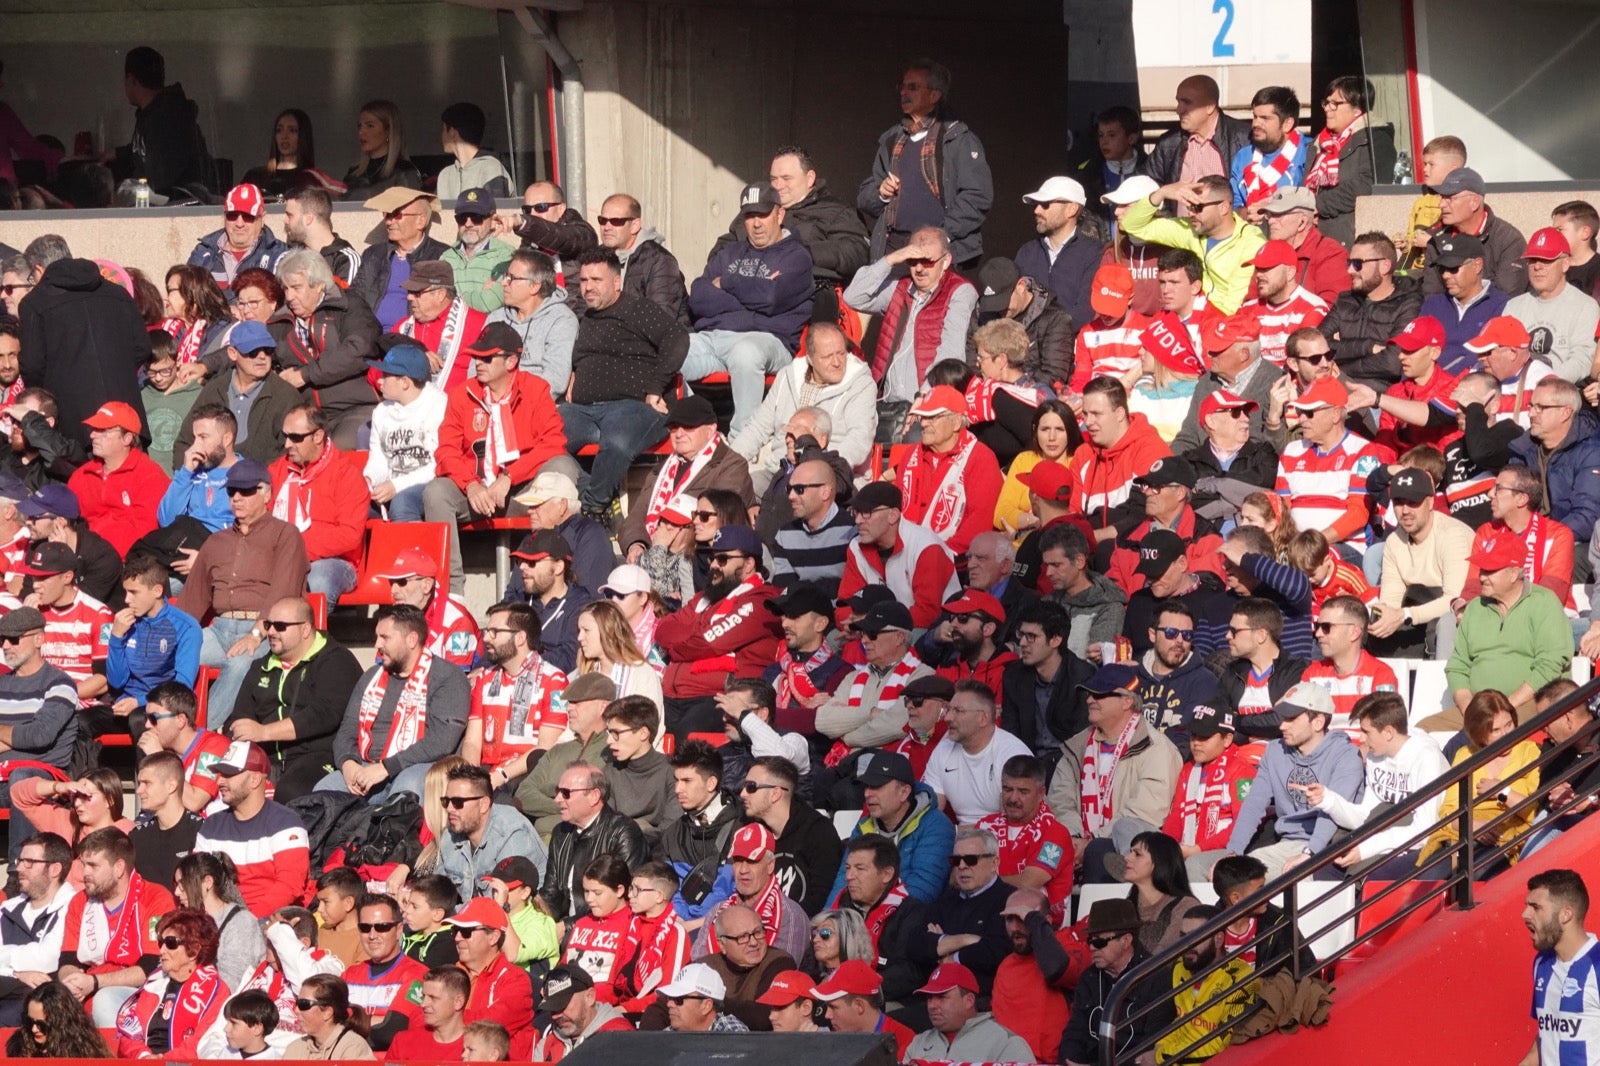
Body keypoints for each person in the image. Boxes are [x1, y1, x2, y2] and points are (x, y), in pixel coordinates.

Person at [174, 457, 308, 721]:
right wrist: (176, 637)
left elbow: (283, 591)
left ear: (266, 493)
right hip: (218, 628)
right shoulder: (216, 541)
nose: (237, 497)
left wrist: (256, 634)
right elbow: (192, 598)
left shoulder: (285, 534)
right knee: (175, 656)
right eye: (232, 491)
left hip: (266, 629)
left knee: (239, 665)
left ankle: (199, 735)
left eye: (246, 491)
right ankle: (166, 727)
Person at [561, 248, 690, 521]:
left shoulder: (638, 309)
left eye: (597, 280)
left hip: (632, 407)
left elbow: (677, 339)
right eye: (584, 281)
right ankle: (591, 490)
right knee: (545, 436)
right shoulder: (587, 319)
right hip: (583, 411)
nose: (588, 288)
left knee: (617, 442)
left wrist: (656, 387)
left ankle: (593, 507)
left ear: (617, 282)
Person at [683, 182, 815, 434]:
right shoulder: (729, 252)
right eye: (749, 215)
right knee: (670, 352)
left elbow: (771, 297)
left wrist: (728, 283)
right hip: (715, 339)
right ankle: (698, 434)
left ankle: (743, 443)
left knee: (746, 353)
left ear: (779, 214)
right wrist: (752, 293)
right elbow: (699, 297)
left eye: (763, 214)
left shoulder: (796, 256)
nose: (756, 223)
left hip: (767, 341)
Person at [322, 604, 470, 804]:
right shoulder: (371, 677)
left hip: (417, 767)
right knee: (323, 793)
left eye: (385, 637)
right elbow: (347, 729)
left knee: (405, 796)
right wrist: (348, 763)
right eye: (377, 636)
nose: (377, 644)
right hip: (365, 766)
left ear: (411, 639)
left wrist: (386, 768)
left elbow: (441, 741)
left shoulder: (447, 677)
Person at [222, 595, 363, 801]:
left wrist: (264, 732)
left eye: (280, 626)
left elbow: (324, 715)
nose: (270, 632)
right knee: (227, 786)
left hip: (319, 756)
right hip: (265, 758)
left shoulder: (336, 660)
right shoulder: (261, 666)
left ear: (305, 629)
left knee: (291, 793)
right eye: (269, 625)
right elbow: (240, 716)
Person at [16, 243, 149, 454]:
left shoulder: (34, 303)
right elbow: (142, 347)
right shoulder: (119, 294)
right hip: (127, 420)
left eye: (31, 277)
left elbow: (32, 366)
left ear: (39, 270)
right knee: (132, 483)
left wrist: (51, 400)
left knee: (81, 485)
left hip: (73, 425)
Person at [858, 58, 991, 267]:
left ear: (934, 95)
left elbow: (977, 196)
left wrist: (942, 235)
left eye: (913, 87)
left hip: (941, 253)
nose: (903, 92)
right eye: (901, 86)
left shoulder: (957, 138)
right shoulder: (891, 140)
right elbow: (865, 198)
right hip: (896, 251)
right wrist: (881, 193)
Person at [1225, 681, 1365, 878]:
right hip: (1286, 843)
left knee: (1249, 881)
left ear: (1318, 722)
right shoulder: (1274, 751)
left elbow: (1332, 813)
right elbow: (1254, 803)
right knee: (1232, 876)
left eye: (1291, 719)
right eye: (1283, 718)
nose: (1282, 725)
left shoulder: (1346, 755)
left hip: (1329, 846)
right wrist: (1233, 852)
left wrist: (1310, 853)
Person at [1306, 691, 1450, 878]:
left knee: (1365, 878)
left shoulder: (1426, 758)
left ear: (1388, 732)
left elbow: (1425, 829)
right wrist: (1327, 799)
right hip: (1388, 837)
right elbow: (1366, 817)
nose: (1361, 740)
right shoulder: (1376, 756)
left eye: (1366, 732)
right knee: (1325, 871)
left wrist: (1367, 849)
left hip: (1428, 844)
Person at [256, 248, 383, 448]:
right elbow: (249, 348)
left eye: (296, 288)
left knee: (337, 451)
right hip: (308, 415)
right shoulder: (280, 322)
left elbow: (359, 349)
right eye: (286, 289)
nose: (289, 296)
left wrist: (305, 375)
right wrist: (205, 365)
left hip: (356, 407)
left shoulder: (348, 307)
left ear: (319, 286)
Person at [1443, 531, 1571, 724]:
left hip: (1531, 704)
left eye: (1490, 570)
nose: (1482, 577)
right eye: (1481, 570)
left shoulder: (1544, 602)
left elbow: (1550, 665)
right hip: (1478, 710)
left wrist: (1505, 708)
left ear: (1513, 573)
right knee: (1421, 732)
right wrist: (1470, 709)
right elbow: (1457, 666)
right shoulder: (1474, 608)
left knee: (1492, 732)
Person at [57, 827, 177, 1026]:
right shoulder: (79, 901)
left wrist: (95, 983)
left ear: (119, 868)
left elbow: (151, 967)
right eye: (83, 864)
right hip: (86, 987)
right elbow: (68, 959)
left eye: (93, 866)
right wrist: (72, 981)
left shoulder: (156, 898)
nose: (84, 873)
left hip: (140, 992)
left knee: (104, 1000)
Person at [1423, 690, 1542, 877]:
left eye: (1509, 725)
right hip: (1462, 836)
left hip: (1503, 841)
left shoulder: (1529, 752)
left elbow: (1534, 810)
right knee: (1428, 882)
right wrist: (1474, 826)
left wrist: (1502, 791)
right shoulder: (1466, 755)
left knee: (1475, 878)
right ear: (1479, 733)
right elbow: (1449, 811)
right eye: (1495, 730)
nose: (1505, 734)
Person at [193, 740, 311, 918]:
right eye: (220, 773)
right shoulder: (210, 826)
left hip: (273, 923)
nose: (220, 781)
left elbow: (289, 886)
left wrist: (246, 921)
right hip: (221, 922)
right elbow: (195, 881)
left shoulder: (286, 823)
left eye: (229, 774)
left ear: (255, 779)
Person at [1119, 176, 1266, 315]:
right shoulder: (1189, 229)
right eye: (1189, 206)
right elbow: (1132, 225)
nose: (1190, 213)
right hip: (1194, 320)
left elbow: (1234, 303)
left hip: (1229, 326)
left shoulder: (1252, 242)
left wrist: (1199, 325)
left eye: (1197, 207)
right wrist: (1162, 193)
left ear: (1223, 208)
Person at [1059, 899, 1176, 1066]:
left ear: (1126, 940)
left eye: (1099, 941)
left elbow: (1151, 1046)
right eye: (1090, 941)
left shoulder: (1156, 976)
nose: (1092, 947)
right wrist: (1069, 1062)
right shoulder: (1089, 977)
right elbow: (1074, 1032)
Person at [0, 607, 78, 854]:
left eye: (13, 638)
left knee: (23, 779)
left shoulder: (60, 684)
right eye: (1, 639)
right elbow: (30, 734)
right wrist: (18, 735)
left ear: (38, 639)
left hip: (44, 781)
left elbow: (40, 735)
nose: (5, 645)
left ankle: (18, 871)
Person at [829, 751, 954, 904]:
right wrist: (829, 921)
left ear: (904, 792)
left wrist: (875, 917)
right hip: (865, 917)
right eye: (867, 786)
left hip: (909, 921)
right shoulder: (863, 826)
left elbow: (923, 892)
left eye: (877, 786)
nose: (867, 793)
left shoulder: (935, 826)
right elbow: (843, 882)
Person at [171, 325, 300, 469]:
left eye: (268, 350)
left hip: (259, 485)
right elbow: (185, 442)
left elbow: (290, 451)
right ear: (232, 353)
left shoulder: (286, 396)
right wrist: (188, 479)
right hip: (208, 482)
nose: (262, 356)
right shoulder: (215, 389)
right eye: (252, 351)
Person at [835, 482, 960, 630]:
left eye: (866, 512)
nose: (858, 520)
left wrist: (871, 625)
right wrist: (858, 626)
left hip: (930, 631)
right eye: (856, 511)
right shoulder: (856, 546)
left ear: (893, 515)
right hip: (873, 630)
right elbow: (844, 606)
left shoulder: (926, 547)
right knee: (833, 640)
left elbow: (927, 614)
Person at [110, 906, 227, 1059]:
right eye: (161, 942)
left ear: (195, 950)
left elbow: (202, 1042)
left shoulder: (217, 991)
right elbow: (129, 1031)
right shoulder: (155, 983)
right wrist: (144, 1056)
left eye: (170, 943)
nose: (162, 950)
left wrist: (165, 1061)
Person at [538, 761, 648, 922]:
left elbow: (623, 898)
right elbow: (550, 894)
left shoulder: (622, 832)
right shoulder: (561, 833)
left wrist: (568, 927)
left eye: (566, 793)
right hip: (563, 926)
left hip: (605, 927)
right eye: (557, 791)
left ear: (594, 796)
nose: (557, 799)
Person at [1071, 377, 1172, 546]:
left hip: (1138, 547)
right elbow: (1074, 514)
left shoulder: (1149, 449)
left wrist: (1093, 538)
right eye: (1086, 414)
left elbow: (1147, 517)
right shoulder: (1083, 454)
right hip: (1088, 551)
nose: (1088, 422)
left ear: (1119, 413)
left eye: (1096, 414)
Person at [1319, 233, 1423, 391]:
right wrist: (1367, 347)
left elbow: (1392, 363)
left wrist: (1336, 368)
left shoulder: (1409, 304)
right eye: (1349, 263)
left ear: (1385, 266)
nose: (1350, 270)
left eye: (1357, 263)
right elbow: (1316, 345)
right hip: (1335, 389)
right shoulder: (1345, 300)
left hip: (1380, 396)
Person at [65, 400, 168, 557]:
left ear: (127, 439)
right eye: (94, 429)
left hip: (128, 561)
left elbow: (145, 530)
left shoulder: (150, 475)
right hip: (82, 557)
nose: (92, 435)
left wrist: (95, 550)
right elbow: (68, 521)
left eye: (102, 430)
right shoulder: (82, 475)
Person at [1519, 869, 1600, 1066]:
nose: (1525, 914)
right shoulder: (1542, 964)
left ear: (1566, 915)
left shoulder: (1596, 966)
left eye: (1536, 907)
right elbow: (1548, 1037)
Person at [437, 764, 546, 905]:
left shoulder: (511, 834)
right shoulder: (451, 834)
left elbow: (506, 906)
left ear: (483, 804)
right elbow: (437, 896)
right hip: (473, 919)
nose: (449, 809)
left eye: (458, 802)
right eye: (446, 801)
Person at [1504, 227, 1600, 381]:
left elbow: (1582, 359)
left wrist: (1545, 382)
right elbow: (1502, 353)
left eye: (1546, 260)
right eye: (1532, 260)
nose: (1537, 267)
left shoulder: (1585, 306)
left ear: (1565, 264)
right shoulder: (1513, 307)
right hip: (1516, 389)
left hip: (1560, 391)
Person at [0, 832, 75, 1026]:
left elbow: (48, 958)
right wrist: (16, 974)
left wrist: (5, 961)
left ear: (55, 869)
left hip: (43, 1000)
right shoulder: (7, 909)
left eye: (29, 862)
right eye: (20, 860)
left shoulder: (73, 906)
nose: (19, 868)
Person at [1421, 167, 1528, 300]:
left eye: (1450, 198)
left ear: (1474, 202)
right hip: (1448, 318)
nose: (1441, 204)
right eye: (1442, 197)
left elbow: (1507, 299)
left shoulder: (1508, 240)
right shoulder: (1437, 239)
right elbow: (1432, 298)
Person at [445, 898, 536, 1050]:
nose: (457, 938)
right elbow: (421, 1017)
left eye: (466, 931)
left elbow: (488, 1029)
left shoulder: (516, 981)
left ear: (493, 937)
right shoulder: (447, 976)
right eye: (455, 930)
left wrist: (445, 1018)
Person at [342, 893, 427, 1050]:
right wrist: (374, 1020)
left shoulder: (418, 975)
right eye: (365, 928)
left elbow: (391, 1032)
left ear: (399, 930)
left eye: (382, 927)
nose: (372, 936)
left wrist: (348, 1023)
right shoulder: (349, 974)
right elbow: (326, 1024)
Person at [485, 248, 575, 396]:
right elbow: (476, 369)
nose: (503, 283)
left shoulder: (561, 320)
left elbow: (555, 380)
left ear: (534, 286)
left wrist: (512, 399)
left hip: (534, 404)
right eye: (505, 276)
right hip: (491, 402)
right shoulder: (496, 318)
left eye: (511, 278)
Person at [174, 851, 268, 991]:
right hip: (189, 999)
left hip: (226, 1005)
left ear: (207, 882)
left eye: (182, 885)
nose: (176, 892)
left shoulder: (241, 923)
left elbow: (231, 984)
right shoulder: (188, 922)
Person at [904, 961, 1034, 1062]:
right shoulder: (918, 1043)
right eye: (929, 998)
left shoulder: (1005, 1042)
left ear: (969, 1000)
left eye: (941, 997)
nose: (932, 1005)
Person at [1014, 175, 1099, 329]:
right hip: (1027, 348)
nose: (1037, 210)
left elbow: (1084, 314)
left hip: (1069, 348)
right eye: (1036, 204)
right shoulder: (1027, 252)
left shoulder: (1093, 254)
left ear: (1071, 209)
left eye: (1045, 204)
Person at [1303, 76, 1378, 248]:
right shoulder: (1319, 143)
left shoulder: (1373, 140)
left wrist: (1317, 205)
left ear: (1357, 110)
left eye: (1335, 104)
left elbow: (1364, 186)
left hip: (1348, 237)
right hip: (1317, 235)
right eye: (1326, 103)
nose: (1328, 109)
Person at [1421, 234, 1511, 375]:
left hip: (1470, 388)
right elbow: (1413, 351)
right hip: (1424, 389)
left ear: (1477, 265)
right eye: (1441, 269)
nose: (1445, 275)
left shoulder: (1501, 306)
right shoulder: (1433, 305)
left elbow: (1490, 359)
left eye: (1453, 268)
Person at [597, 193, 689, 324]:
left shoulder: (659, 261)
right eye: (603, 220)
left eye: (616, 221)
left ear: (635, 225)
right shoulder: (597, 258)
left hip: (662, 340)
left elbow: (659, 320)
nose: (607, 227)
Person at [188, 183, 288, 294]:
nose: (239, 224)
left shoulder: (279, 256)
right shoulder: (203, 252)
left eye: (247, 216)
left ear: (263, 218)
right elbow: (187, 294)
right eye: (232, 215)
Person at [1231, 86, 1308, 218]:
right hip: (1251, 233)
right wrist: (1247, 214)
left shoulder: (1308, 151)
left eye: (1265, 118)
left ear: (1287, 124)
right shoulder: (1243, 156)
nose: (1256, 123)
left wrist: (1270, 211)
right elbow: (1233, 201)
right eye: (1255, 116)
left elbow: (1311, 202)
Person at [812, 959, 916, 1056]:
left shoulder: (906, 1043)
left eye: (833, 1007)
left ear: (859, 1006)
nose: (827, 1015)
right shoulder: (833, 1039)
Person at [536, 965, 633, 1062]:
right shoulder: (546, 1045)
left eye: (562, 1005)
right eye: (552, 1008)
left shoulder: (621, 1039)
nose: (556, 1015)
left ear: (589, 997)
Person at [510, 181, 598, 280]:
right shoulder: (530, 241)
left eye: (541, 207)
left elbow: (560, 237)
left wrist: (522, 222)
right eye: (527, 210)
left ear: (561, 208)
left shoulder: (582, 232)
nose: (533, 214)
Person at [342, 99, 422, 200]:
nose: (361, 132)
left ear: (388, 131)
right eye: (359, 126)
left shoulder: (404, 172)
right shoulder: (353, 175)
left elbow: (411, 212)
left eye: (370, 125)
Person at [283, 186, 362, 287]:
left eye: (290, 215)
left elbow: (346, 300)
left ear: (308, 219)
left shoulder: (345, 259)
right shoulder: (290, 254)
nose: (285, 220)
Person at [285, 974, 376, 1059]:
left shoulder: (354, 1048)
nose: (296, 1010)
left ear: (327, 1013)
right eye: (297, 1003)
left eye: (303, 1004)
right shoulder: (294, 1049)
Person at [436, 103, 512, 201]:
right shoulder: (445, 175)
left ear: (452, 132)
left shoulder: (492, 169)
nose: (441, 136)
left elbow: (496, 213)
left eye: (443, 130)